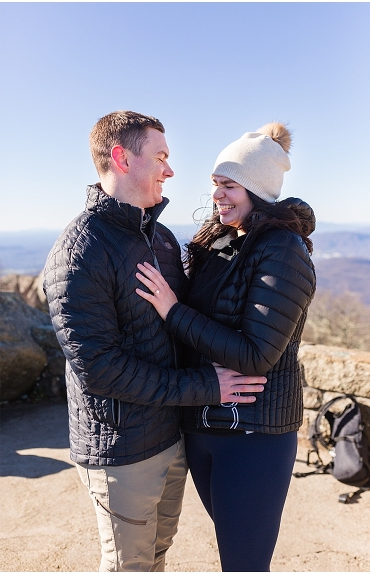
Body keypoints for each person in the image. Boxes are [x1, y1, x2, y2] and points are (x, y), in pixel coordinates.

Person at [43, 110, 268, 572]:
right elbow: (101, 368)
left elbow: (186, 322)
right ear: (123, 159)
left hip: (171, 437)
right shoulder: (79, 250)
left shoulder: (161, 238)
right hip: (120, 451)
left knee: (157, 556)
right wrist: (208, 387)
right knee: (130, 565)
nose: (170, 169)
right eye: (161, 156)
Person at [135, 122, 316, 571]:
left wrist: (173, 311)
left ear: (258, 189)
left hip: (254, 437)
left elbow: (258, 355)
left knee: (244, 563)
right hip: (204, 429)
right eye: (216, 184)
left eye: (229, 185)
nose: (218, 195)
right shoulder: (216, 244)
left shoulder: (283, 250)